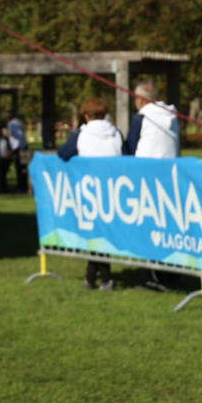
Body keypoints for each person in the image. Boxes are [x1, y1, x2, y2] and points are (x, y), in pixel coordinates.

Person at [58, 97, 128, 290]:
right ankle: (94, 278)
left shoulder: (81, 134)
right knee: (101, 235)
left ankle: (100, 279)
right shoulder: (117, 134)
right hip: (113, 191)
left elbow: (63, 153)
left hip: (88, 191)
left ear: (86, 116)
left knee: (96, 236)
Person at [126, 81, 181, 288]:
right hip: (171, 178)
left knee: (151, 229)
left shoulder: (141, 118)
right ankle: (172, 273)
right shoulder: (172, 115)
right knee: (169, 228)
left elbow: (131, 147)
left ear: (140, 99)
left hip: (146, 181)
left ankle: (158, 277)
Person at [6, 113, 29, 193]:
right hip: (23, 146)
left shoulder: (11, 124)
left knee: (19, 168)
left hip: (17, 148)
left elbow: (16, 136)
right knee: (23, 168)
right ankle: (24, 186)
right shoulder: (18, 122)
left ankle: (21, 187)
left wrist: (12, 150)